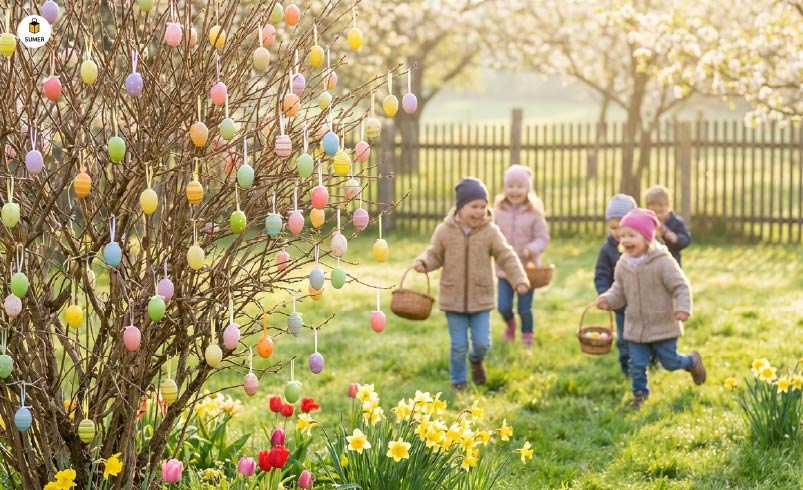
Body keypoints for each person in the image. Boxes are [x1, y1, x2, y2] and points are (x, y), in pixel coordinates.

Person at [413, 177, 529, 391]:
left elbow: (506, 256)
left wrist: (519, 278)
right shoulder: (444, 231)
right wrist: (424, 262)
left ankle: (476, 360)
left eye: (483, 207)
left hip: (481, 298)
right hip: (452, 298)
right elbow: (434, 254)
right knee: (458, 345)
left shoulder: (490, 231)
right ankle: (459, 381)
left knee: (483, 343)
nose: (479, 212)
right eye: (473, 206)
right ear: (460, 207)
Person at [596, 208, 706, 410]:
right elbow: (618, 290)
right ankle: (640, 395)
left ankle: (691, 361)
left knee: (670, 362)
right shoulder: (623, 263)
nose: (626, 240)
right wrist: (607, 300)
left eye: (632, 235)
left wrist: (683, 308)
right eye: (623, 236)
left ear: (647, 238)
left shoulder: (662, 262)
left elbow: (680, 285)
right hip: (636, 327)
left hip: (662, 324)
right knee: (636, 364)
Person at [493, 164, 549, 348]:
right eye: (510, 186)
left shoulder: (534, 213)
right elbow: (491, 234)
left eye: (519, 186)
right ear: (504, 188)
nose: (514, 191)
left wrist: (531, 248)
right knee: (503, 306)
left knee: (524, 308)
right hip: (504, 270)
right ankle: (510, 324)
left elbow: (542, 238)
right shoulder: (498, 211)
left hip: (527, 270)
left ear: (527, 189)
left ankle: (527, 336)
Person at [594, 194, 637, 376]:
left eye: (622, 227)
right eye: (613, 228)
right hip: (620, 305)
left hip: (645, 304)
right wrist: (606, 295)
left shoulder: (643, 247)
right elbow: (601, 275)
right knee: (624, 338)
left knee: (648, 337)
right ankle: (627, 368)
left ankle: (652, 359)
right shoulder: (607, 250)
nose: (618, 233)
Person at [644, 185, 691, 267]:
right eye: (654, 212)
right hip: (652, 263)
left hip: (671, 262)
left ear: (668, 207)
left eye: (661, 212)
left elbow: (686, 239)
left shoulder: (676, 222)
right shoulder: (647, 222)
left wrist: (676, 238)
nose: (658, 216)